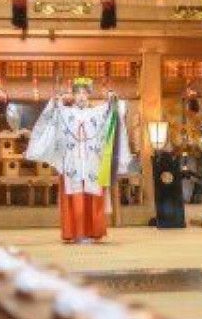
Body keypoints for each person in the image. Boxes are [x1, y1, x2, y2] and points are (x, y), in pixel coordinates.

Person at [26, 77, 132, 243]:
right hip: (72, 162)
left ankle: (94, 232)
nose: (81, 96)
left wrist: (113, 100)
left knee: (93, 195)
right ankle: (76, 233)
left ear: (89, 95)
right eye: (78, 93)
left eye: (84, 93)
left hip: (92, 161)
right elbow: (51, 117)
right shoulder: (65, 112)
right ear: (73, 96)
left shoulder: (97, 112)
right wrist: (54, 103)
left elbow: (114, 111)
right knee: (74, 196)